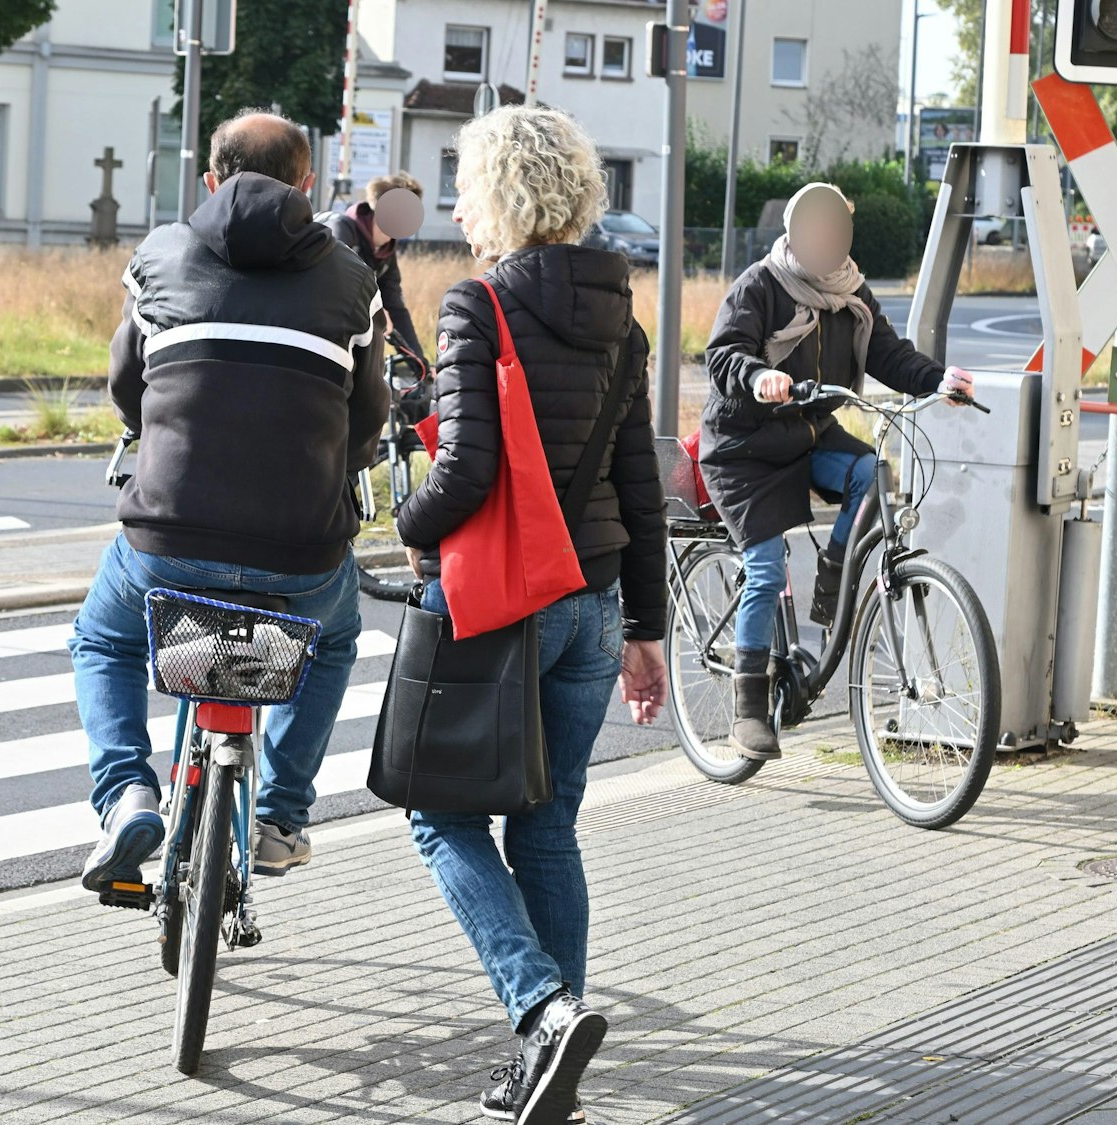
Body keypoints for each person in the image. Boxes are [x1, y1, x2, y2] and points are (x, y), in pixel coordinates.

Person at [395, 105, 669, 1125]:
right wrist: (645, 628)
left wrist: (402, 517)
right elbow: (639, 483)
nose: (459, 204)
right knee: (547, 832)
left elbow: (463, 472)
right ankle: (556, 1071)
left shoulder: (478, 305)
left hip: (500, 608)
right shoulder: (622, 315)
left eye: (465, 183)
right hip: (590, 601)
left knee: (440, 816)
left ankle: (542, 1010)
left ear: (499, 192)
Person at [73, 109, 387, 893]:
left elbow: (126, 381)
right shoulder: (355, 281)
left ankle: (127, 796)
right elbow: (370, 410)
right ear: (308, 184)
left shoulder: (159, 254)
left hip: (169, 533)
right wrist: (342, 471)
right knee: (336, 638)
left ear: (210, 178)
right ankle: (280, 815)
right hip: (302, 549)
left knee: (103, 640)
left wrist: (154, 431)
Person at [698, 182, 973, 762]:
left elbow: (889, 355)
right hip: (744, 448)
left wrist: (939, 380)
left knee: (872, 473)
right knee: (767, 568)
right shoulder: (762, 285)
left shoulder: (850, 291)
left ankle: (834, 572)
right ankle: (749, 709)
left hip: (807, 435)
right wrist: (756, 376)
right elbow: (722, 354)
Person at [323, 171, 427, 362]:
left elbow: (396, 309)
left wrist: (420, 363)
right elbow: (337, 282)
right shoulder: (343, 229)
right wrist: (375, 309)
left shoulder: (386, 251)